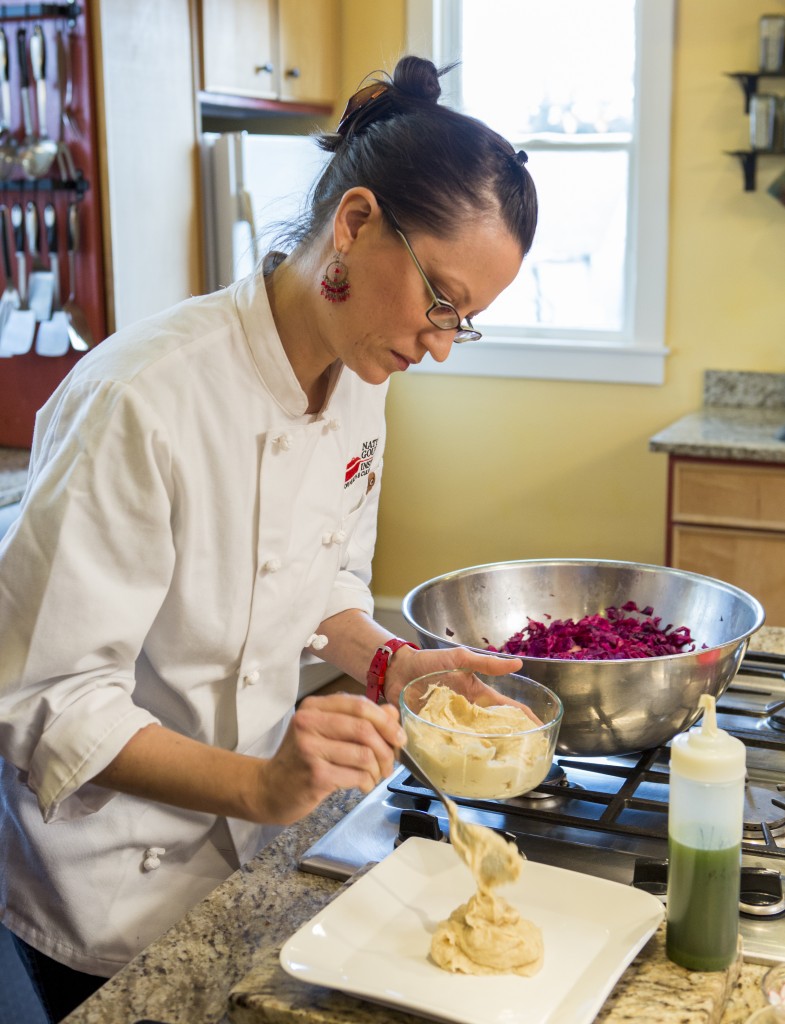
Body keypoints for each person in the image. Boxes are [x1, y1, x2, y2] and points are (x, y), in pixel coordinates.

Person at [0, 55, 537, 1022]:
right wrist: (262, 784)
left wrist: (392, 667)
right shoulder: (141, 398)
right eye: (442, 300)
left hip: (251, 851)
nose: (442, 344)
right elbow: (48, 699)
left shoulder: (361, 376)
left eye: (468, 322)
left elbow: (324, 576)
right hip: (112, 878)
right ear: (357, 221)